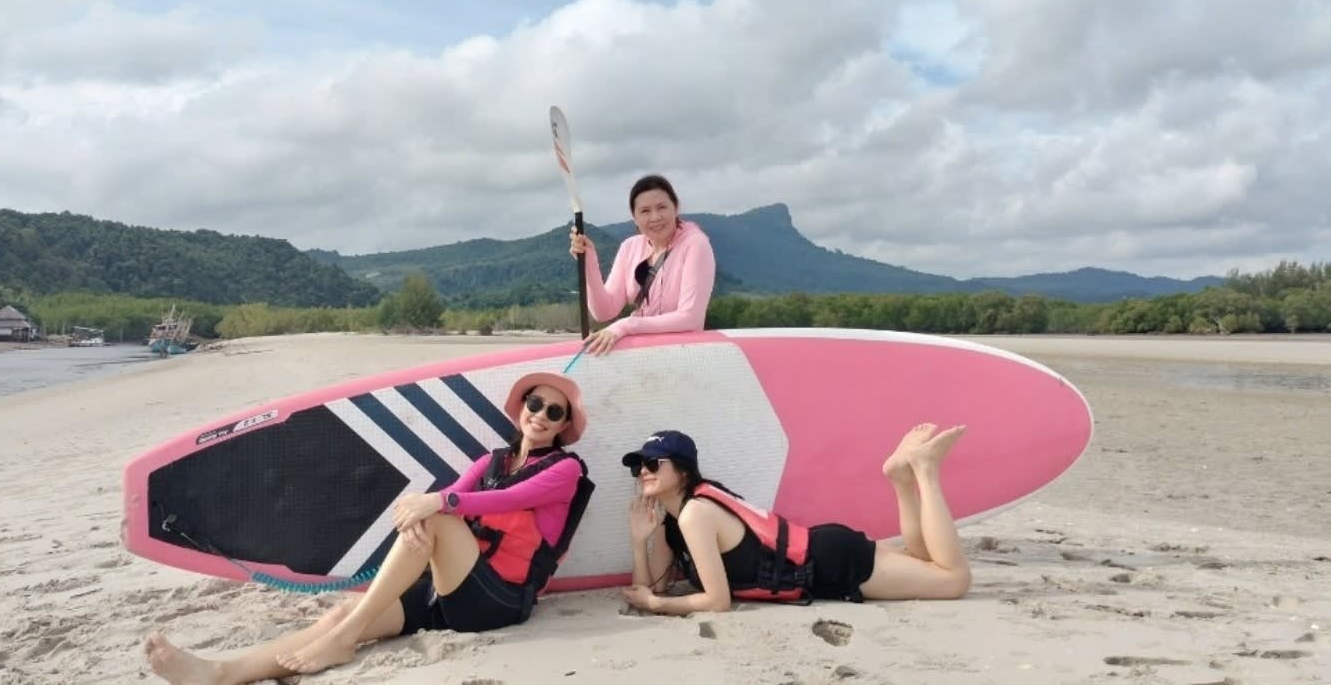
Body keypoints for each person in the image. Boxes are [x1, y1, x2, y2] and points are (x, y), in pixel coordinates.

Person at [142, 372, 593, 681]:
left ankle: (343, 640)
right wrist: (424, 511)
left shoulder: (566, 470)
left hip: (500, 601)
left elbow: (508, 499)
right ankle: (221, 674)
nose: (541, 415)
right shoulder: (491, 461)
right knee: (343, 612)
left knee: (436, 516)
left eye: (554, 412)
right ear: (523, 407)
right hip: (453, 595)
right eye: (535, 403)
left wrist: (434, 505)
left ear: (563, 425)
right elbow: (455, 496)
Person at [617, 425, 970, 616]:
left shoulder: (695, 514)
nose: (643, 472)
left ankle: (925, 470)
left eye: (653, 464)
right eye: (638, 467)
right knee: (925, 559)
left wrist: (658, 606)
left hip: (831, 564)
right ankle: (902, 481)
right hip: (823, 549)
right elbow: (649, 590)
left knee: (953, 580)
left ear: (683, 471)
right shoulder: (672, 523)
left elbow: (716, 602)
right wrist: (638, 542)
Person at [568, 173, 717, 355]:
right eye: (645, 211)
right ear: (635, 218)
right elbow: (604, 311)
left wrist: (627, 325)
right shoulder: (630, 247)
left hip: (682, 353)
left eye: (662, 207)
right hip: (641, 354)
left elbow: (690, 318)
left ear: (675, 207)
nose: (655, 217)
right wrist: (588, 262)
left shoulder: (695, 244)